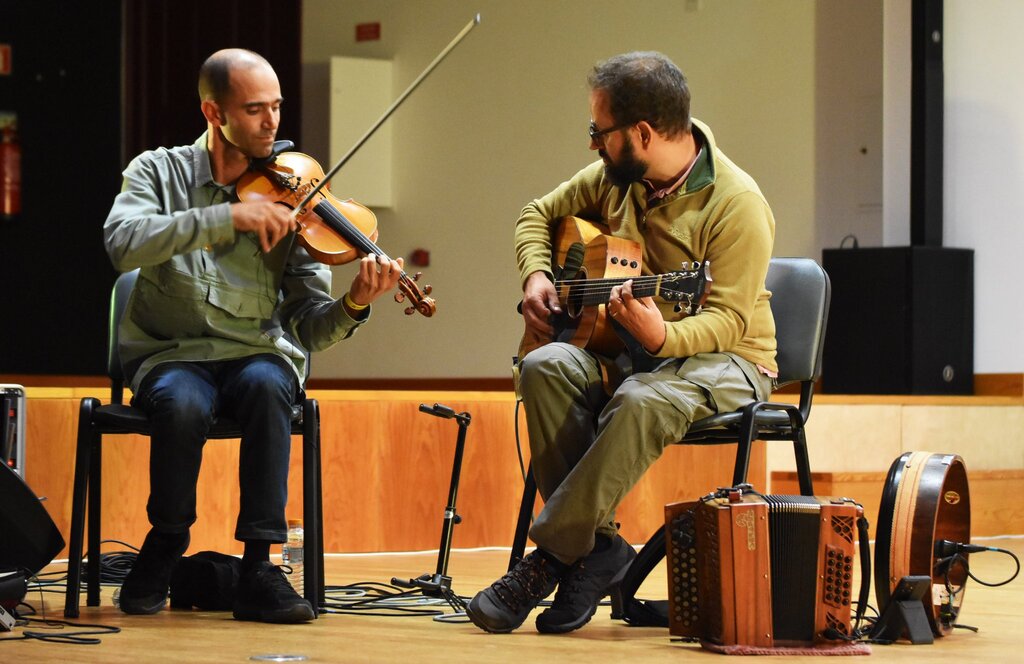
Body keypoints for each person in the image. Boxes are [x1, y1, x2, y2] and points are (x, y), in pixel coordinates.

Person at [466, 51, 778, 634]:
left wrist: (663, 334)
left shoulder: (738, 206)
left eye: (598, 132)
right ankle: (600, 549)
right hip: (633, 353)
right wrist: (537, 273)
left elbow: (730, 320)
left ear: (641, 133)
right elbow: (536, 214)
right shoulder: (618, 179)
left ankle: (552, 558)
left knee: (642, 398)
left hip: (731, 361)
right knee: (546, 365)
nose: (592, 146)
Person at [103, 48, 404, 623]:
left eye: (277, 108)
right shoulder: (158, 172)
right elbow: (123, 244)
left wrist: (354, 305)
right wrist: (226, 218)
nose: (273, 124)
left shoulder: (297, 192)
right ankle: (166, 541)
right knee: (182, 403)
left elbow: (308, 327)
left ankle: (261, 565)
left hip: (254, 354)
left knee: (272, 387)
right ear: (214, 113)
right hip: (173, 353)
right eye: (255, 109)